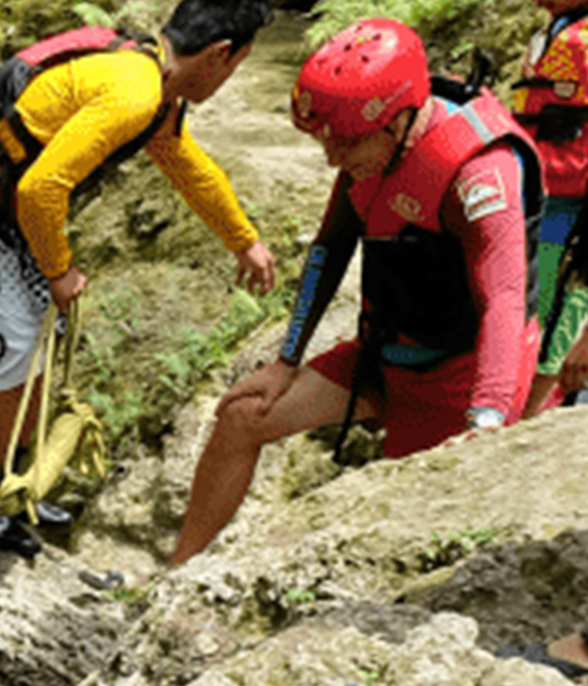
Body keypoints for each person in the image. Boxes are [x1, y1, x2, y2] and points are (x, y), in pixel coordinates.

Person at [0, 0, 281, 557]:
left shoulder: (140, 71)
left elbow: (188, 166)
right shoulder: (134, 93)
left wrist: (243, 239)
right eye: (237, 66)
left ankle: (10, 487)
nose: (230, 80)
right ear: (220, 54)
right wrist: (58, 271)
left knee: (35, 351)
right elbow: (41, 191)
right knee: (7, 370)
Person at [171, 19, 539, 564]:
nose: (330, 158)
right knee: (240, 416)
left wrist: (484, 419)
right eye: (322, 140)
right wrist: (285, 361)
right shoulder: (369, 143)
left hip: (459, 377)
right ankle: (176, 573)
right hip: (383, 352)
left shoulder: (480, 172)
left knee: (411, 534)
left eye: (343, 143)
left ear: (398, 122)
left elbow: (505, 295)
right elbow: (329, 249)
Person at [512, 0, 588, 407]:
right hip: (540, 188)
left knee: (558, 309)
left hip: (571, 201)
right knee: (533, 302)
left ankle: (535, 409)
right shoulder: (558, 28)